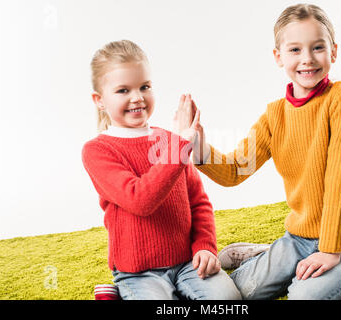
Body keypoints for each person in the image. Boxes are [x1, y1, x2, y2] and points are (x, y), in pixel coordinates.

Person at [180, 4, 341, 300]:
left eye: (317, 47)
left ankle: (282, 258)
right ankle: (266, 255)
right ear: (278, 57)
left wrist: (329, 250)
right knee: (235, 292)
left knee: (303, 296)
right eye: (294, 50)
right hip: (299, 238)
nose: (307, 59)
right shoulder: (275, 115)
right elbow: (236, 169)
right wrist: (198, 146)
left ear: (334, 51)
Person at [81, 40, 241, 300]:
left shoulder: (171, 139)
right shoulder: (98, 151)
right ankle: (120, 292)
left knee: (228, 300)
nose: (137, 97)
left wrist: (205, 247)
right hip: (139, 272)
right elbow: (141, 200)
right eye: (123, 90)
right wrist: (180, 145)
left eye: (145, 87)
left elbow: (198, 202)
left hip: (188, 262)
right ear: (99, 101)